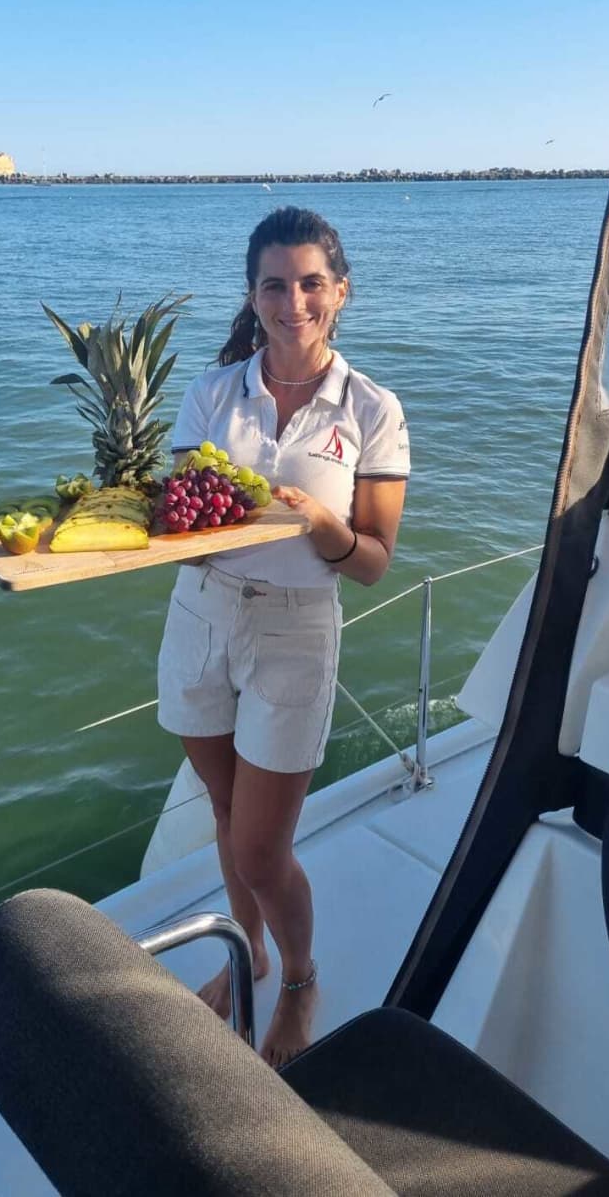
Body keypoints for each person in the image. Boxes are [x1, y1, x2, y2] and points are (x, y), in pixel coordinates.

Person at [156, 207, 409, 1068]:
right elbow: (184, 518)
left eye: (310, 283)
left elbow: (372, 562)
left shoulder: (371, 410)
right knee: (227, 815)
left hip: (297, 631)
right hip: (202, 612)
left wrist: (318, 523)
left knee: (263, 845)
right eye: (274, 283)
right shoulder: (213, 392)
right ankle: (249, 952)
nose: (291, 300)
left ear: (339, 293)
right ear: (252, 294)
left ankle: (298, 977)